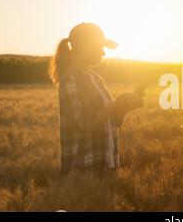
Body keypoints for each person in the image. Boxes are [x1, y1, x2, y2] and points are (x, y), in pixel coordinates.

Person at [49, 22, 141, 176]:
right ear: (84, 46)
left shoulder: (95, 78)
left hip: (106, 165)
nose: (103, 53)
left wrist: (123, 107)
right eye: (100, 47)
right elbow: (82, 124)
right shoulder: (70, 79)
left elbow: (110, 122)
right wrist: (113, 107)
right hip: (82, 172)